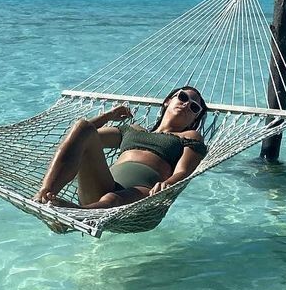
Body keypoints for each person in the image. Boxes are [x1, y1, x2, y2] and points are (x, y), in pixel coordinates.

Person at [34, 86, 209, 211]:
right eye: (183, 97)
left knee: (112, 198)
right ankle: (46, 193)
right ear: (168, 101)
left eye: (194, 107)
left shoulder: (190, 136)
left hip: (142, 197)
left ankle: (79, 213)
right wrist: (108, 116)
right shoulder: (133, 129)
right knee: (82, 126)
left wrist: (168, 185)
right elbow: (81, 137)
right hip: (99, 186)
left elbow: (184, 171)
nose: (186, 104)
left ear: (194, 119)